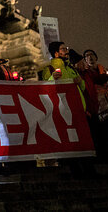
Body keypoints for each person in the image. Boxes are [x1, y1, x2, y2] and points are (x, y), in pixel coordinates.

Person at [41, 41, 94, 178]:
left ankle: (89, 171)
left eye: (66, 48)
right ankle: (75, 171)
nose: (66, 51)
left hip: (79, 110)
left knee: (84, 142)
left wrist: (80, 82)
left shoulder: (71, 68)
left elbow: (81, 89)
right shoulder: (49, 69)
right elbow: (44, 89)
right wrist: (53, 78)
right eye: (63, 49)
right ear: (56, 53)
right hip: (63, 111)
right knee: (70, 143)